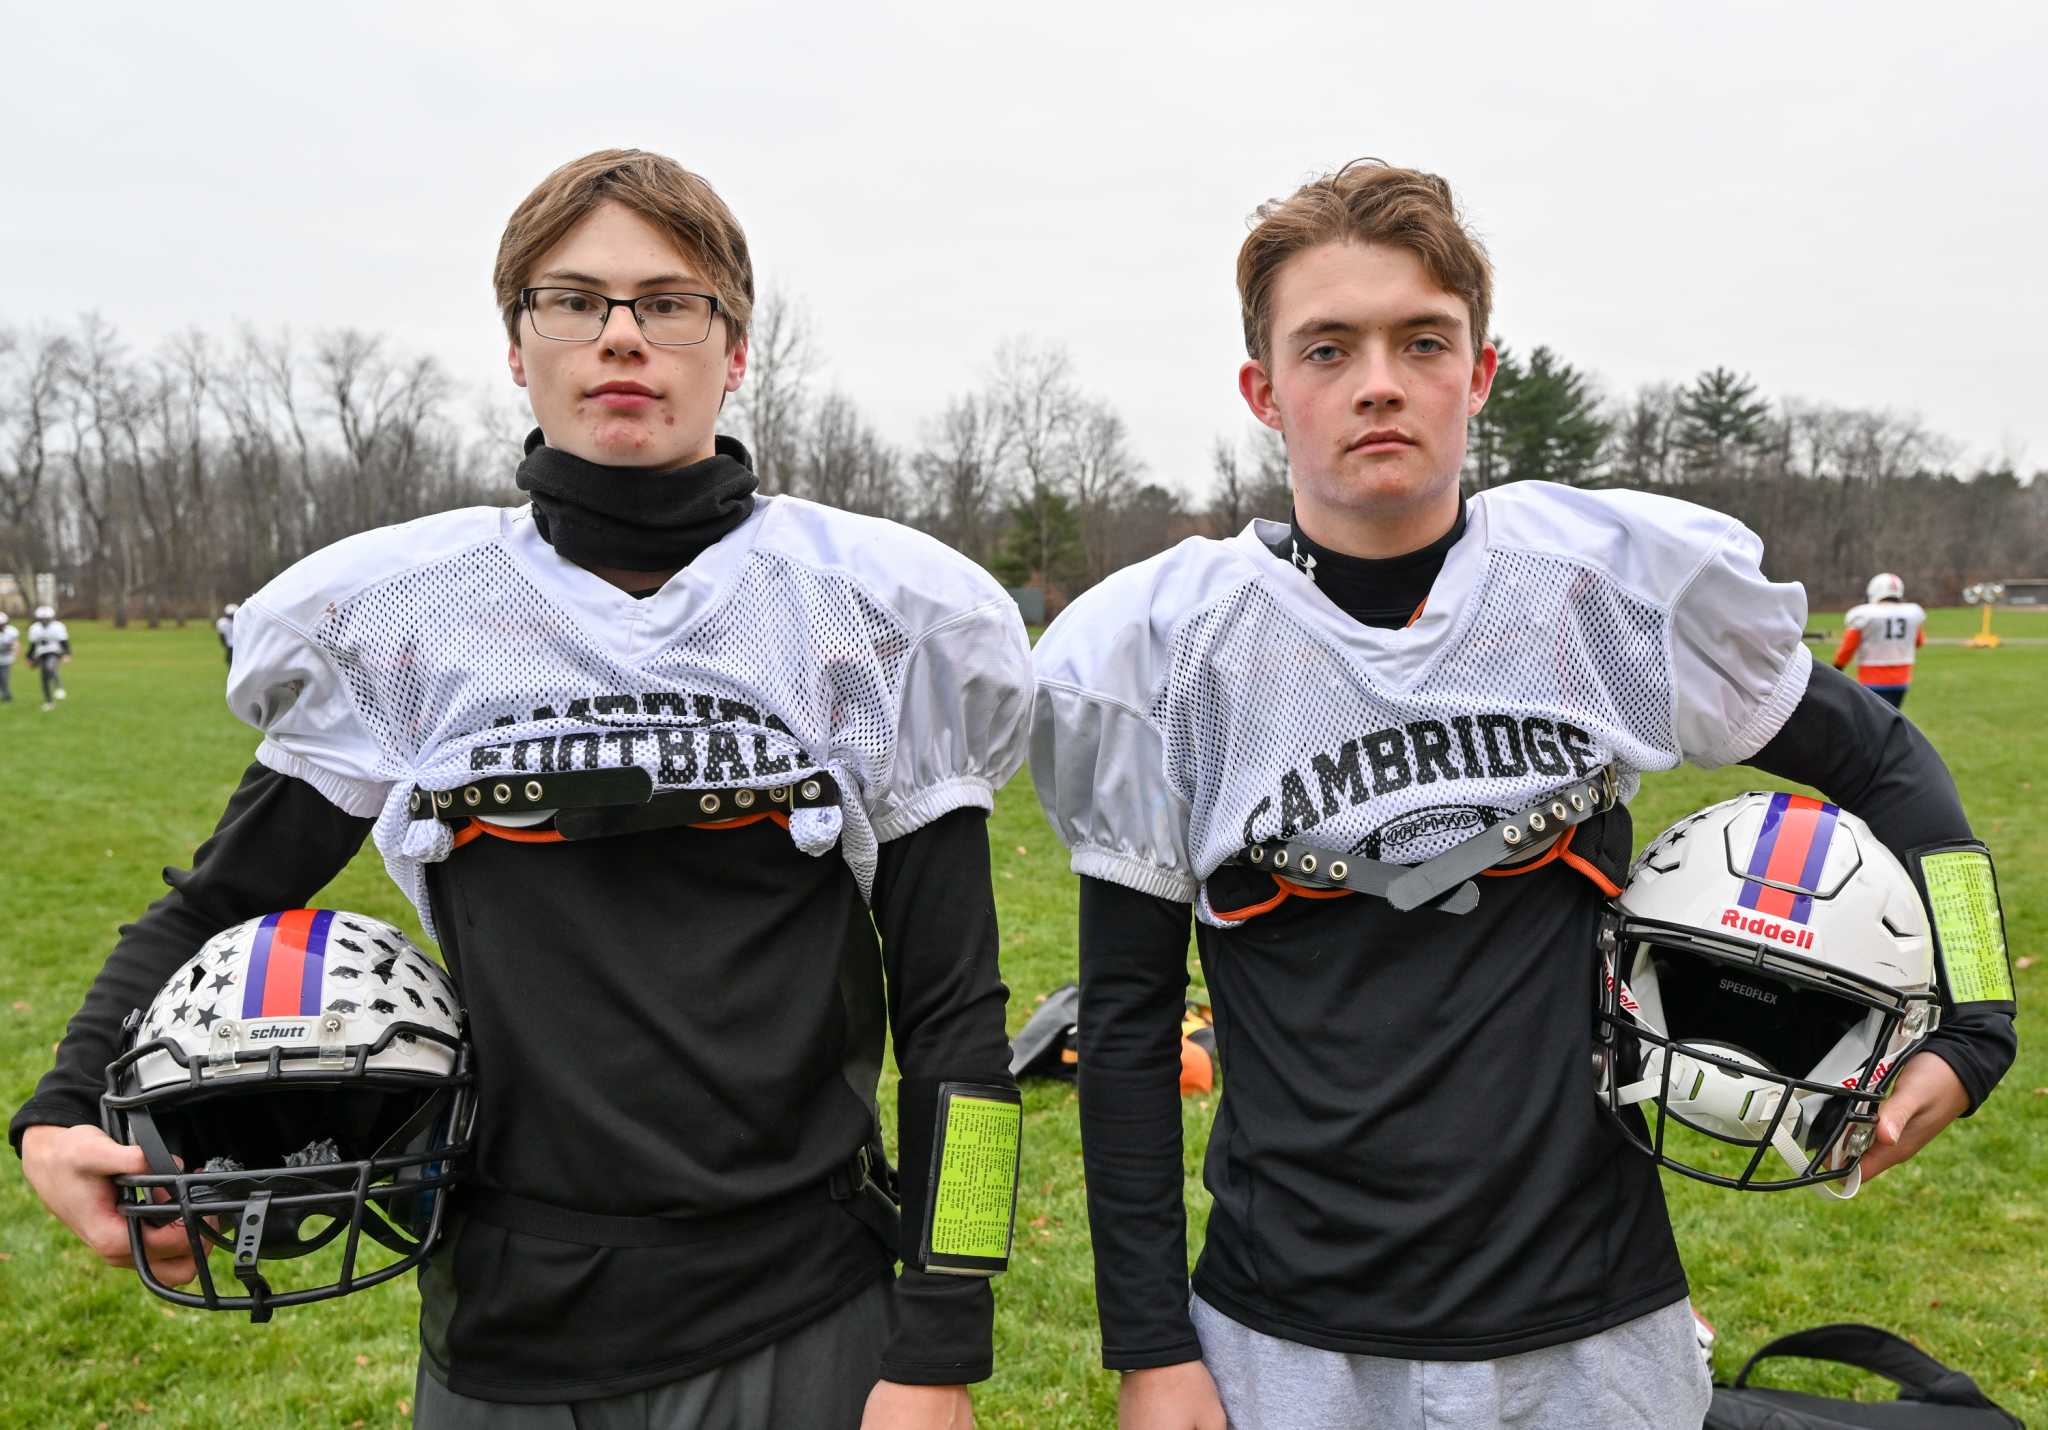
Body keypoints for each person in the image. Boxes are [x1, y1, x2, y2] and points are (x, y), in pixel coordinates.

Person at [12, 148, 1030, 1430]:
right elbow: (211, 903)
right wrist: (57, 1105)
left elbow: (960, 1031)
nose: (621, 336)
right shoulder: (410, 623)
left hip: (801, 1306)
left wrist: (944, 1334)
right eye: (573, 300)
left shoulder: (872, 620)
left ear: (737, 348)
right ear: (515, 346)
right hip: (505, 1315)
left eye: (669, 302)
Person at [1029, 160, 2016, 1430]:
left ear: (1478, 371)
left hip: (1595, 1315)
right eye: (1327, 347)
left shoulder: (1594, 588)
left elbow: (1887, 762)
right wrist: (1150, 1349)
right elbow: (1122, 1023)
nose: (1377, 379)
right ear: (1263, 392)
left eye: (1419, 339)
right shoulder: (1166, 651)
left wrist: (1978, 1013)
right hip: (1286, 1329)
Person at [1834, 572, 1927, 708]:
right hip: (1901, 680)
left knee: (1870, 723)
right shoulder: (1911, 613)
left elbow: (1848, 648)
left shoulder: (1864, 614)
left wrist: (1838, 666)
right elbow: (1919, 642)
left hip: (1871, 677)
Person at [25, 603, 69, 710]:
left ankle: (59, 687)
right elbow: (33, 645)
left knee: (50, 668)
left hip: (54, 652)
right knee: (44, 678)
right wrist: (29, 658)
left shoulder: (58, 627)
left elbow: (64, 642)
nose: (45, 621)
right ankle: (49, 702)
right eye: (42, 619)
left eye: (47, 619)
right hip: (41, 654)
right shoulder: (34, 628)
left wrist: (67, 654)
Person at [214, 601, 238, 667]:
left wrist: (224, 645)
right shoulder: (222, 623)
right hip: (234, 646)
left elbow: (221, 636)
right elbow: (221, 636)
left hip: (232, 646)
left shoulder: (221, 622)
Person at [0, 611, 17, 703]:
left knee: (4, 677)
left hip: (6, 659)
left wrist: (14, 652)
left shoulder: (11, 631)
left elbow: (15, 645)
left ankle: (6, 696)